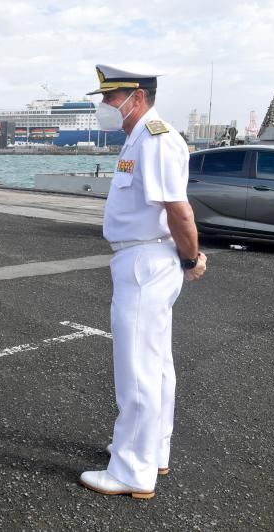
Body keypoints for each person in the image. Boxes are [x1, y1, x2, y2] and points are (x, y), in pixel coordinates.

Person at [78, 65, 207, 499]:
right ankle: (153, 451)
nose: (103, 108)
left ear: (135, 97)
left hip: (146, 261)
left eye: (109, 99)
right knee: (156, 366)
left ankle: (133, 471)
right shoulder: (137, 139)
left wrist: (191, 258)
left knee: (137, 370)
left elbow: (179, 211)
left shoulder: (156, 137)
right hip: (143, 257)